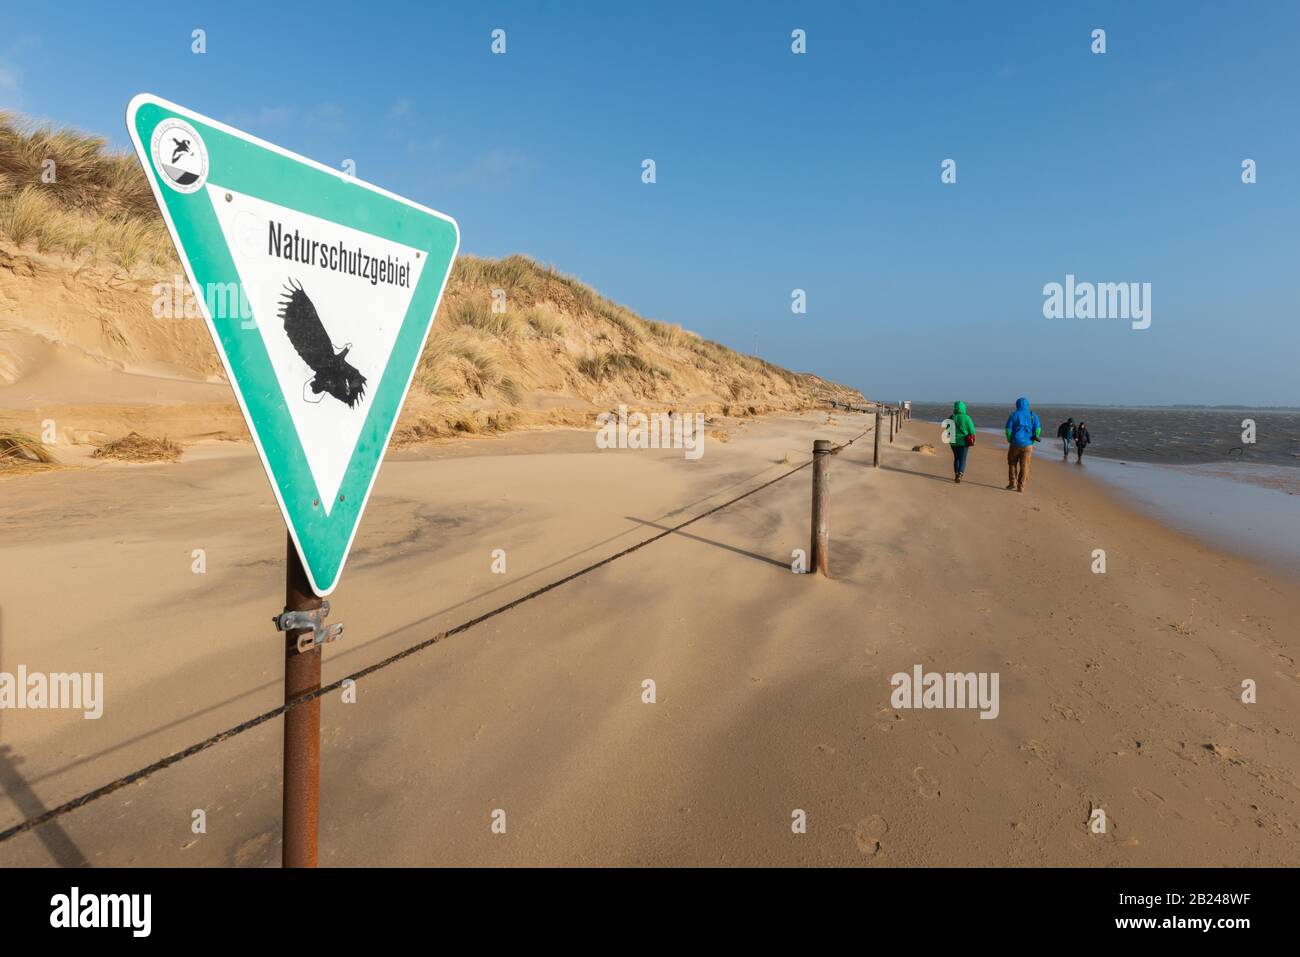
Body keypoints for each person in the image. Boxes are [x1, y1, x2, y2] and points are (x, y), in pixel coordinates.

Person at [1003, 396, 1041, 492]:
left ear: (1017, 405)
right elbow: (1038, 430)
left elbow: (1008, 430)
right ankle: (1021, 486)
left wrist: (1009, 440)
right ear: (1027, 405)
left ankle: (1012, 483)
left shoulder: (1013, 415)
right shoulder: (1033, 415)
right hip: (1028, 445)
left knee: (1012, 463)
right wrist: (1032, 441)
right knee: (1025, 466)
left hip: (1015, 443)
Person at [948, 401, 976, 483]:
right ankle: (960, 474)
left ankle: (956, 474)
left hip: (953, 441)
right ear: (964, 408)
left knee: (956, 458)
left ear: (955, 408)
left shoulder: (952, 417)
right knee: (963, 459)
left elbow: (947, 429)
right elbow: (972, 430)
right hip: (964, 441)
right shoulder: (967, 418)